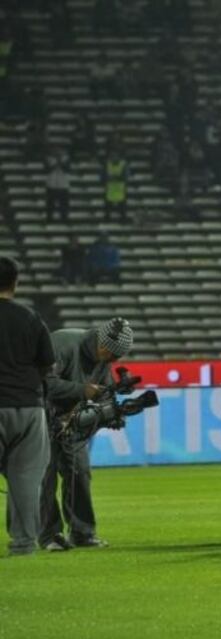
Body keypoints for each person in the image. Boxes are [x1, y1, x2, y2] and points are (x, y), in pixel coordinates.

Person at [40, 317, 134, 551]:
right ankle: (50, 536)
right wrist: (83, 390)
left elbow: (101, 392)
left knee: (79, 472)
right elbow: (43, 383)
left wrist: (111, 407)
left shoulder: (103, 357)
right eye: (112, 355)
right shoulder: (61, 344)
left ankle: (82, 533)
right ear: (102, 345)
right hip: (41, 417)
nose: (113, 361)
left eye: (117, 358)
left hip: (71, 421)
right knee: (46, 477)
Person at [0, 257, 55, 556]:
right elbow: (48, 364)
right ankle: (23, 544)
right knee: (25, 479)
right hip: (29, 407)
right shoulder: (31, 318)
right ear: (16, 282)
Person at [102, 149, 129, 222]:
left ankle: (123, 218)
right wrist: (107, 179)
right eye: (112, 156)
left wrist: (115, 177)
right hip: (110, 187)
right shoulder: (107, 164)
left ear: (119, 157)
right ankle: (107, 218)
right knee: (108, 205)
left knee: (122, 205)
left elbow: (125, 176)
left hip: (120, 187)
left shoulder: (123, 164)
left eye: (115, 156)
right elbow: (103, 176)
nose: (113, 158)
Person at [45, 149, 71, 222]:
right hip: (51, 185)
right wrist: (55, 164)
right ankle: (49, 220)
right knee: (50, 206)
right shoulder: (48, 159)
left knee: (64, 206)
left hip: (63, 185)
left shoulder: (66, 160)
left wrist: (61, 162)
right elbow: (46, 170)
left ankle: (64, 219)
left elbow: (67, 170)